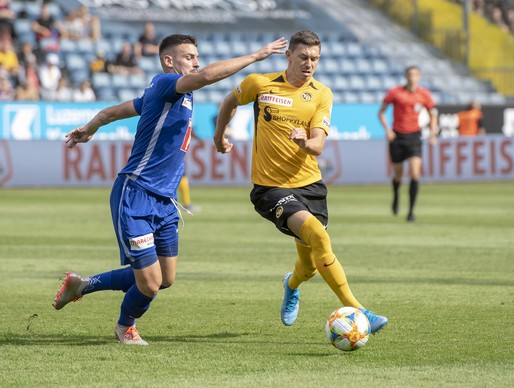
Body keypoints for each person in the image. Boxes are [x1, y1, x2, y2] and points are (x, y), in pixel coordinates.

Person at [53, 34, 288, 345]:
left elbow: (112, 112)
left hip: (165, 201)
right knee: (149, 284)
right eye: (189, 56)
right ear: (169, 61)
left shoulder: (166, 94)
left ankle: (82, 285)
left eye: (197, 55)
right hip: (136, 194)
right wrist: (256, 56)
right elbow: (205, 77)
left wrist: (89, 128)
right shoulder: (165, 83)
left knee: (165, 279)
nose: (196, 61)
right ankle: (125, 327)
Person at [213, 31, 388, 334]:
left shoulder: (321, 94)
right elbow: (230, 100)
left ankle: (291, 284)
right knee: (319, 237)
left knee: (308, 265)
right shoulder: (260, 84)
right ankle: (360, 311)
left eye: (315, 59)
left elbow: (318, 144)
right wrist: (219, 136)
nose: (310, 64)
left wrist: (305, 143)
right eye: (304, 57)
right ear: (289, 56)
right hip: (270, 188)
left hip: (310, 186)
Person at [378, 65, 438, 222]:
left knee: (415, 173)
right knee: (398, 175)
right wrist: (387, 130)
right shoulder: (395, 92)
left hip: (414, 137)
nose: (412, 77)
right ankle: (396, 195)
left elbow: (433, 114)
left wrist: (433, 134)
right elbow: (381, 112)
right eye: (410, 74)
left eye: (415, 75)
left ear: (419, 77)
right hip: (397, 137)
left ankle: (411, 211)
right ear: (406, 76)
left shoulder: (424, 94)